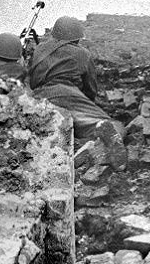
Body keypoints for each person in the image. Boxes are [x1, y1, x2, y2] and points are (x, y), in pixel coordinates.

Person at [28, 16, 127, 169]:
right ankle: (91, 148)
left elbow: (33, 81)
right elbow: (90, 89)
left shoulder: (39, 49)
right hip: (67, 94)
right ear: (76, 38)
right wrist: (85, 103)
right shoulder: (83, 54)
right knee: (113, 126)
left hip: (38, 98)